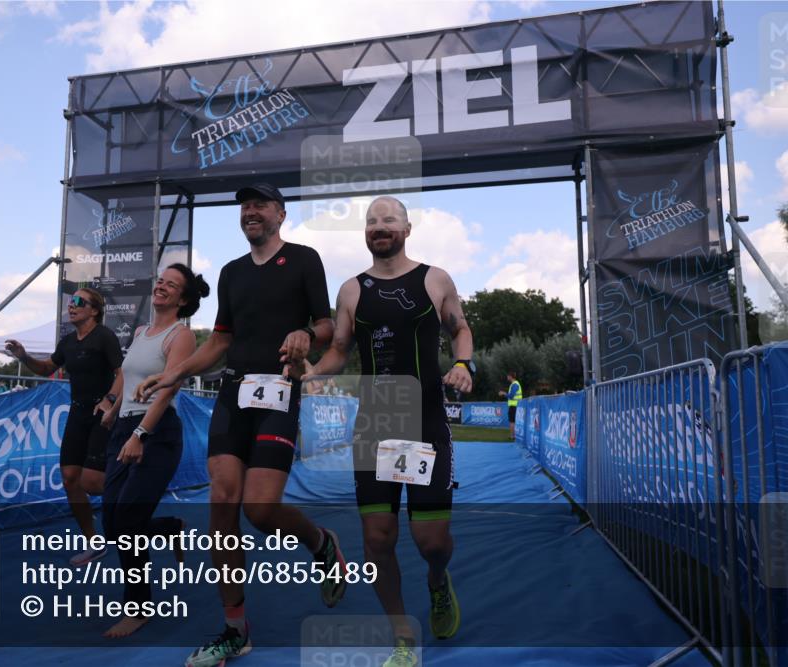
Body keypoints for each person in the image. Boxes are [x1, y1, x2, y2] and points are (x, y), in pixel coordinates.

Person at [135, 183, 345, 666]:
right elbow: (220, 341)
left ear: (280, 214)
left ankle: (321, 543)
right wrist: (171, 373)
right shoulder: (230, 273)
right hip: (233, 393)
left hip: (278, 392)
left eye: (260, 205)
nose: (251, 211)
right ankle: (235, 629)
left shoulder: (305, 259)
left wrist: (305, 333)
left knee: (262, 510)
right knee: (223, 502)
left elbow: (328, 327)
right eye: (245, 206)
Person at [305, 196, 474, 667]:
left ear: (407, 228)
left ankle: (438, 583)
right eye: (371, 221)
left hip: (424, 424)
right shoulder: (351, 290)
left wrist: (464, 363)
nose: (380, 227)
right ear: (365, 232)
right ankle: (402, 637)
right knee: (378, 539)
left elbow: (460, 329)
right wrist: (315, 372)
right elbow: (339, 349)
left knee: (431, 543)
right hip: (375, 426)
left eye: (389, 220)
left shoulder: (434, 279)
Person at [100, 263, 208, 638]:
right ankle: (167, 527)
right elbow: (129, 379)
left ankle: (139, 607)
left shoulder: (182, 336)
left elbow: (168, 389)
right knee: (112, 523)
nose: (162, 286)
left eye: (171, 284)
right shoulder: (144, 331)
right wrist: (112, 411)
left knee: (127, 523)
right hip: (125, 427)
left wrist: (141, 434)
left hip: (156, 432)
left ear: (183, 298)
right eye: (161, 280)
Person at [5, 287, 122, 566]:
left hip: (101, 413)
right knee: (70, 478)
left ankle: (136, 497)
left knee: (92, 483)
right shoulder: (68, 342)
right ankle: (95, 543)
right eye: (71, 301)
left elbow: (122, 373)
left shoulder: (105, 337)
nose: (72, 305)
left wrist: (109, 401)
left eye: (80, 302)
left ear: (94, 310)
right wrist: (23, 356)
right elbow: (46, 368)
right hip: (78, 413)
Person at [505, 371, 522, 440]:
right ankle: (514, 436)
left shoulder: (515, 384)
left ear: (510, 376)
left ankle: (513, 436)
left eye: (508, 376)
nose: (507, 377)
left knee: (512, 421)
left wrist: (504, 393)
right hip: (515, 405)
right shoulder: (514, 384)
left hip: (514, 405)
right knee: (513, 421)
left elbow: (511, 396)